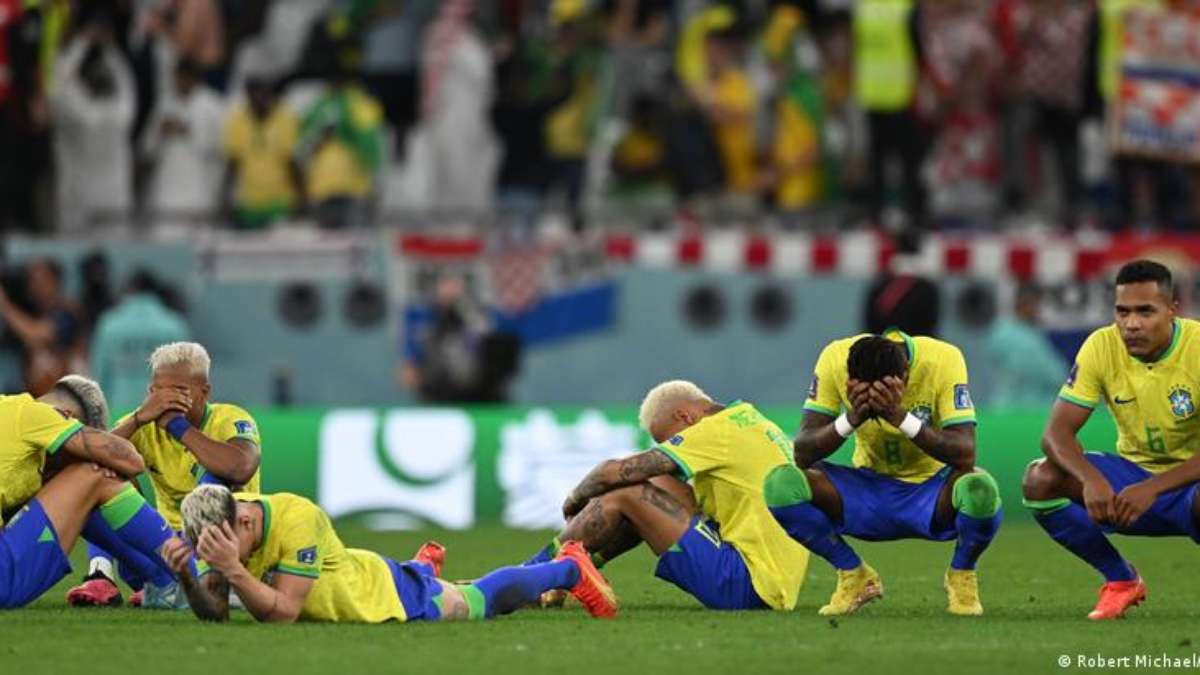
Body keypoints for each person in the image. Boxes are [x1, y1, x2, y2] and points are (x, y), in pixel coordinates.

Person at [523, 380, 811, 611]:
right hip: (772, 581)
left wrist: (574, 497)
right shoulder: (751, 422)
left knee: (629, 492)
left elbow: (614, 472)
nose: (672, 447)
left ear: (685, 416)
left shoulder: (716, 431)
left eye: (671, 439)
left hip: (747, 584)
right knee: (653, 488)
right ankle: (560, 578)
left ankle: (532, 577)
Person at [1024, 260, 1200, 620]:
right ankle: (1121, 581)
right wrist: (1092, 479)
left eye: (1145, 312)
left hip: (1189, 485)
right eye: (1123, 311)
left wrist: (1155, 488)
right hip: (1130, 479)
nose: (1131, 324)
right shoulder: (1101, 346)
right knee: (1040, 480)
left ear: (1172, 310)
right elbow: (1056, 433)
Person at [169, 485, 616, 623]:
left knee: (479, 603)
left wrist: (232, 569)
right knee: (449, 589)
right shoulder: (219, 524)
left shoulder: (295, 518)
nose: (225, 556)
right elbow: (218, 616)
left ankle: (567, 569)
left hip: (381, 594)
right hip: (356, 579)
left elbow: (283, 613)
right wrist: (191, 579)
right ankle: (423, 566)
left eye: (228, 548)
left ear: (245, 521)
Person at [787, 330, 1001, 616]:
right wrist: (852, 417)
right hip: (864, 490)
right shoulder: (835, 358)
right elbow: (802, 452)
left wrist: (899, 416)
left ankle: (962, 575)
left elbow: (965, 453)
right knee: (782, 484)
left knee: (980, 487)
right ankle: (853, 573)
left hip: (931, 492)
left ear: (906, 375)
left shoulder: (943, 359)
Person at [67, 342, 261, 607]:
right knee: (100, 475)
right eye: (159, 392)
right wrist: (137, 418)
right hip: (163, 549)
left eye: (179, 391)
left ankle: (184, 585)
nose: (166, 401)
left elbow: (240, 467)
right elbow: (85, 461)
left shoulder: (229, 419)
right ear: (150, 392)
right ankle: (101, 576)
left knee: (216, 478)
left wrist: (178, 427)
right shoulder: (143, 424)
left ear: (205, 392)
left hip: (223, 553)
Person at [1, 375, 181, 609]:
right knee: (92, 474)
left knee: (78, 486)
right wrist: (136, 420)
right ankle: (183, 578)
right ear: (66, 417)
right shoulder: (37, 414)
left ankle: (152, 581)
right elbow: (131, 460)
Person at [49, 20, 135, 232]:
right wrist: (111, 50)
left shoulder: (79, 112)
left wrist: (82, 43)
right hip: (106, 207)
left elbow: (60, 83)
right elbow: (128, 86)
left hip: (82, 207)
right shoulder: (121, 114)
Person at [90, 270, 191, 414]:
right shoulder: (174, 324)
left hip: (119, 406)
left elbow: (100, 371)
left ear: (129, 290)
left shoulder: (110, 323)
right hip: (163, 410)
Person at [140, 58, 225, 220]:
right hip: (167, 186)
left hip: (199, 186)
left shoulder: (213, 105)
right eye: (177, 77)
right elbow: (147, 147)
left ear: (195, 78)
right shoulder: (164, 103)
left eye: (184, 77)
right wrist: (160, 133)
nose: (180, 82)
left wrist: (187, 130)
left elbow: (221, 147)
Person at [221, 75, 305, 229]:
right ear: (248, 97)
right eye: (254, 95)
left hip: (280, 204)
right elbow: (233, 165)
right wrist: (225, 201)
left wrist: (302, 200)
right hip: (249, 205)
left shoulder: (285, 119)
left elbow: (292, 162)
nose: (260, 100)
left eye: (264, 94)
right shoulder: (237, 122)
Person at [0, 259, 83, 395]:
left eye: (38, 280)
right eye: (31, 280)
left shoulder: (67, 313)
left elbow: (37, 335)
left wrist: (5, 306)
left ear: (55, 281)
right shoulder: (32, 312)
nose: (34, 286)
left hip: (62, 397)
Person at [984, 283, 1066, 407]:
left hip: (1007, 405)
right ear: (1024, 304)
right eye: (1035, 305)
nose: (1038, 310)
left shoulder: (1001, 330)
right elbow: (1052, 374)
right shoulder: (1016, 335)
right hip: (1022, 407)